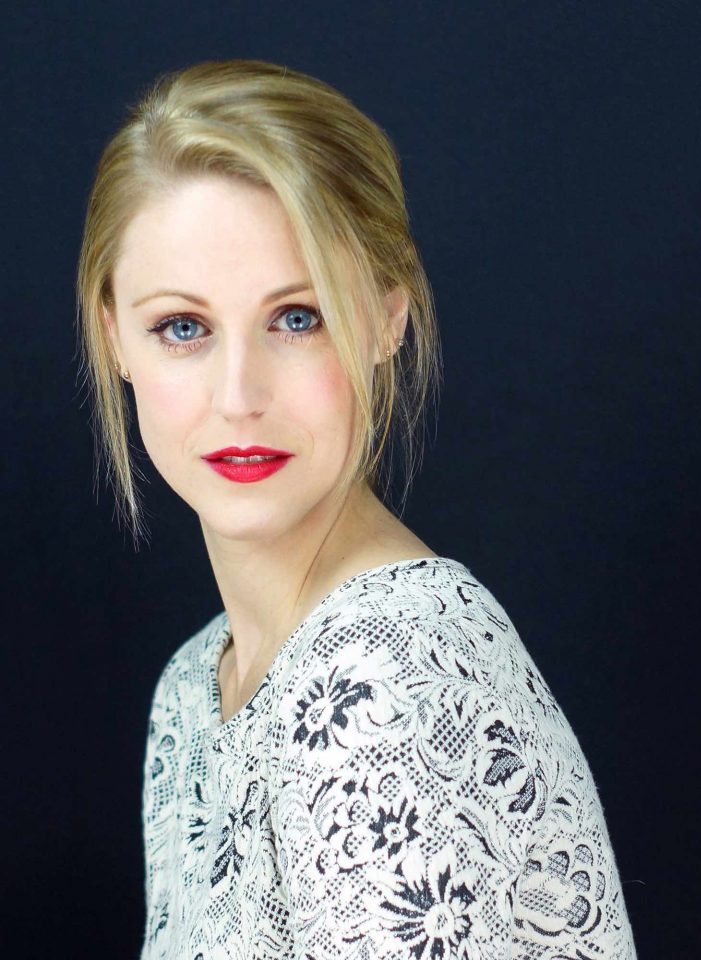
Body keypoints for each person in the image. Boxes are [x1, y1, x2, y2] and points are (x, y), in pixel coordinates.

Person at [77, 59, 636, 960]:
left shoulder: (383, 677)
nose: (238, 397)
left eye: (297, 318)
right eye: (183, 327)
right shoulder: (190, 692)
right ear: (115, 339)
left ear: (386, 318)